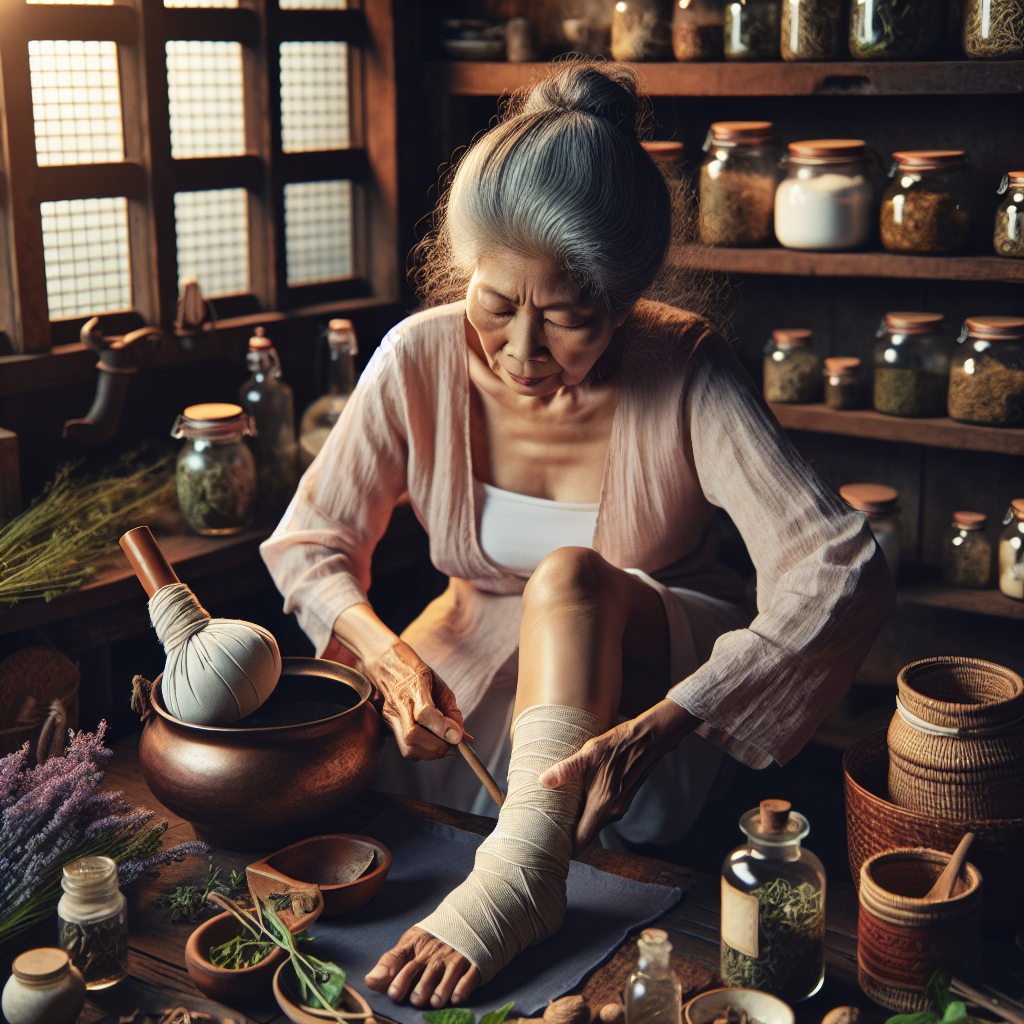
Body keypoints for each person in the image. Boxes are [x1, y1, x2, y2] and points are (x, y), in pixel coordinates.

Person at [261, 61, 894, 1010]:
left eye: (567, 316)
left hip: (643, 680)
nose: (521, 352)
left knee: (569, 579)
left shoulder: (679, 365)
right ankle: (519, 866)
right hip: (470, 661)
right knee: (357, 825)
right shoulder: (418, 356)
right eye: (495, 304)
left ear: (627, 296)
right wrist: (388, 660)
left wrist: (679, 716)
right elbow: (313, 542)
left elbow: (839, 562)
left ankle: (521, 882)